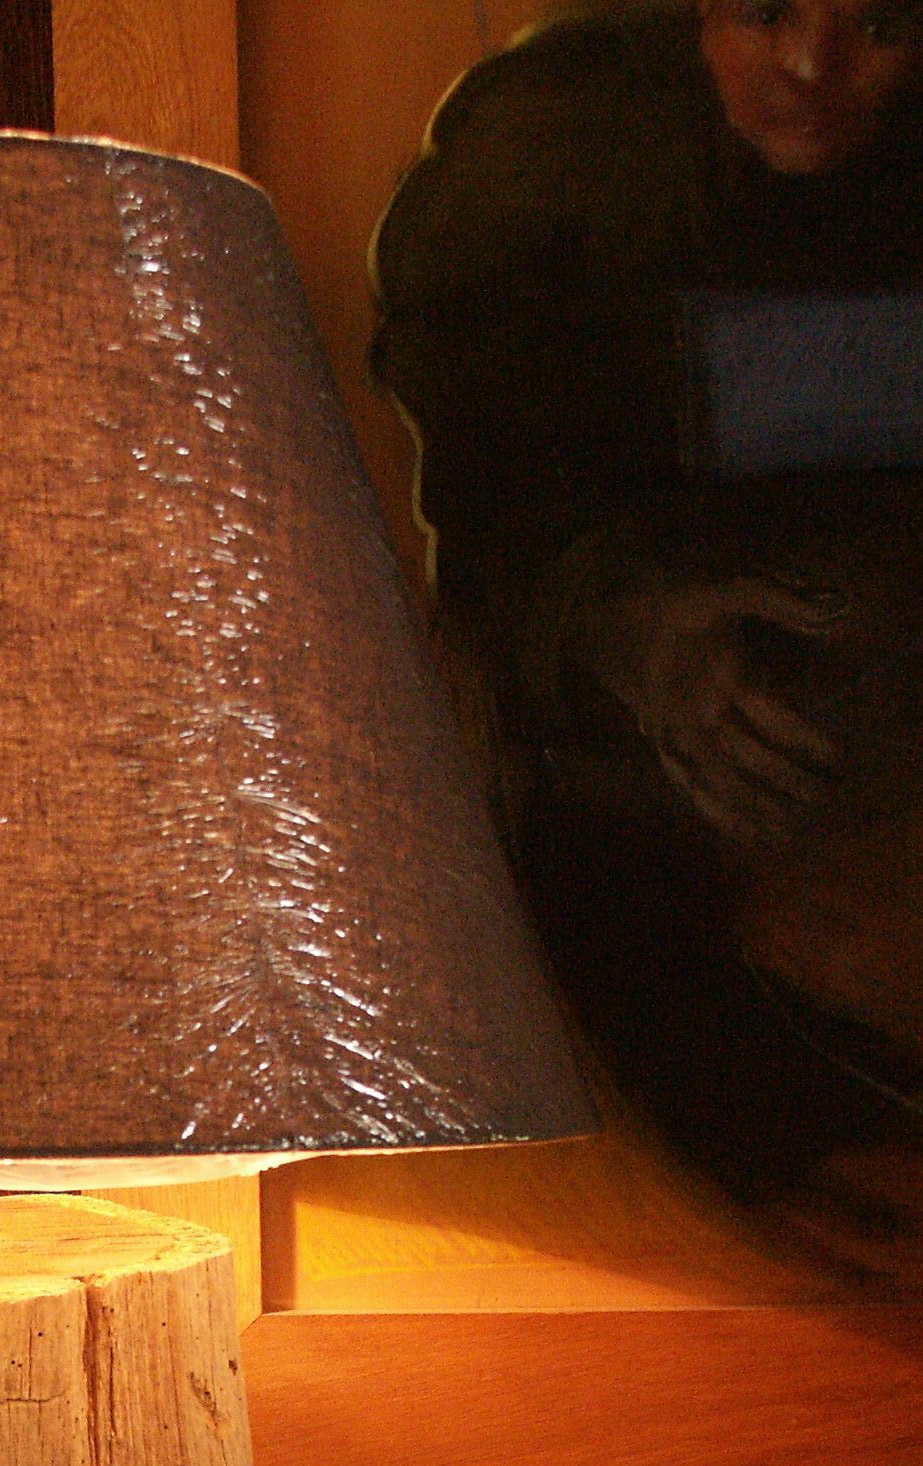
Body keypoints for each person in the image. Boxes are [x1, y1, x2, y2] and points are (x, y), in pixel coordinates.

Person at [372, 0, 923, 1275]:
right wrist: (619, 627)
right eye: (762, 11)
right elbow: (490, 516)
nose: (808, 67)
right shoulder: (555, 151)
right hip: (663, 902)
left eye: (884, 24)